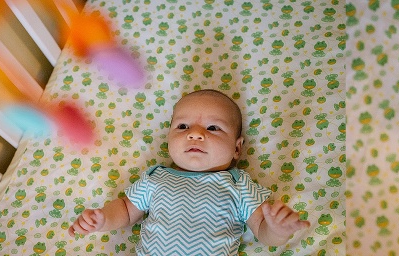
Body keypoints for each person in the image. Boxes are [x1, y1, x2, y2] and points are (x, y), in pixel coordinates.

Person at [68, 89, 310, 254]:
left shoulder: (238, 183)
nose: (195, 133)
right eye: (182, 126)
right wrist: (102, 219)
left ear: (237, 148)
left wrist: (277, 230)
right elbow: (125, 210)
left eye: (213, 128)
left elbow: (262, 231)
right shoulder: (157, 177)